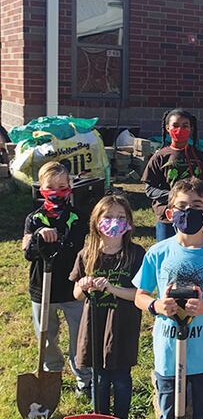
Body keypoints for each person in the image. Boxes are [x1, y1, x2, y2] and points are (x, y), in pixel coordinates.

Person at [133, 178, 203, 419]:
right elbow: (140, 295)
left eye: (196, 207)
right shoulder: (158, 253)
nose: (188, 212)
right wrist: (156, 306)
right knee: (170, 413)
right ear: (169, 212)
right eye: (182, 207)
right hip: (168, 354)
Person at [70, 195, 145, 419]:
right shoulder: (87, 254)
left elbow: (139, 295)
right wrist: (84, 286)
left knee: (121, 378)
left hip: (123, 326)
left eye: (121, 217)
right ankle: (100, 415)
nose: (114, 222)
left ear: (129, 222)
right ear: (96, 222)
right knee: (99, 379)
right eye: (108, 216)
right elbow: (75, 294)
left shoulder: (136, 254)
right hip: (95, 326)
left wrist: (112, 288)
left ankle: (121, 415)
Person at [23, 161, 92, 396]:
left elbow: (79, 248)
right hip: (42, 288)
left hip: (72, 288)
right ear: (41, 190)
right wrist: (38, 237)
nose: (58, 193)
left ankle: (84, 378)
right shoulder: (34, 219)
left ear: (70, 188)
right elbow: (27, 253)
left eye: (63, 187)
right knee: (46, 335)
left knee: (79, 335)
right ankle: (51, 375)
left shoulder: (78, 218)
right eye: (51, 188)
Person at [142, 108, 203, 241]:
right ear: (167, 128)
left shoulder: (200, 157)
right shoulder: (160, 157)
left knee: (191, 248)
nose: (179, 130)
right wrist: (171, 196)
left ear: (191, 129)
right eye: (175, 126)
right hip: (166, 216)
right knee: (166, 252)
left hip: (194, 214)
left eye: (184, 126)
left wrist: (201, 201)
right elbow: (149, 188)